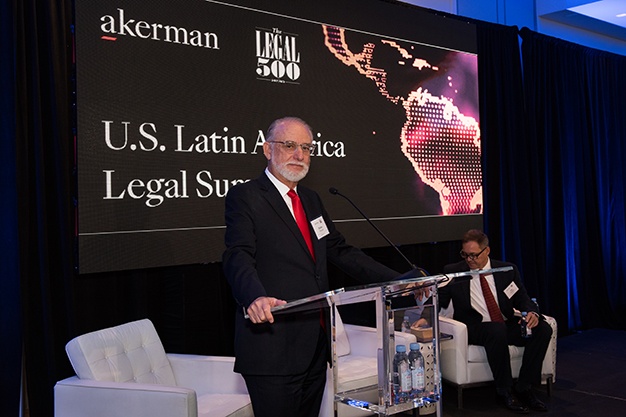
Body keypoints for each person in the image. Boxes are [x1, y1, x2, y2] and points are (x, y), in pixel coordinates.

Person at [222, 117, 400, 417]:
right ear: (267, 149)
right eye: (289, 145)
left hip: (315, 346)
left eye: (306, 148)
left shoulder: (311, 199)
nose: (299, 155)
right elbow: (237, 254)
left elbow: (339, 251)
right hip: (273, 347)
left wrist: (399, 280)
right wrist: (254, 296)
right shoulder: (247, 196)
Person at [440, 229, 552, 414]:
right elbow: (440, 300)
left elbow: (522, 298)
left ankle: (524, 387)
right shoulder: (453, 272)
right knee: (495, 330)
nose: (469, 260)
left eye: (474, 255)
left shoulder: (506, 270)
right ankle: (504, 390)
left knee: (543, 329)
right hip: (475, 328)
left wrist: (532, 313)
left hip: (503, 324)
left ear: (487, 251)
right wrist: (424, 313)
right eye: (465, 255)